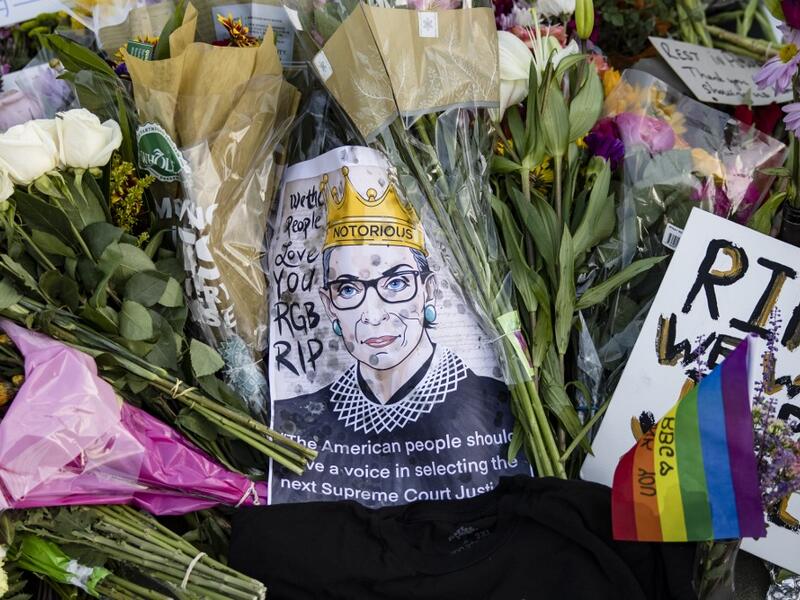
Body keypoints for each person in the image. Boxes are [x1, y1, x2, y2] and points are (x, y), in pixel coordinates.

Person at [270, 166, 529, 506]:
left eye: (396, 283)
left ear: (429, 289)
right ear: (328, 303)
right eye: (347, 288)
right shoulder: (296, 418)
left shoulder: (501, 407)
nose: (373, 315)